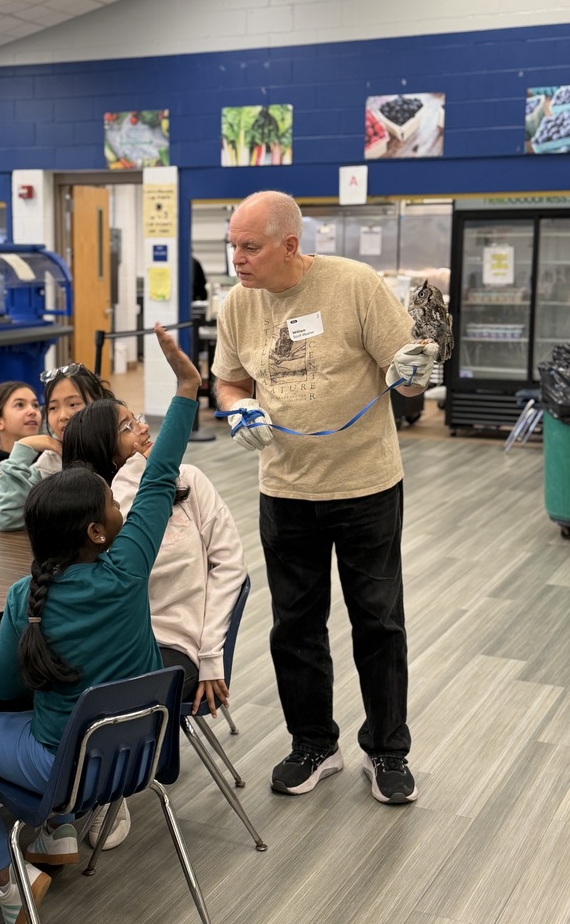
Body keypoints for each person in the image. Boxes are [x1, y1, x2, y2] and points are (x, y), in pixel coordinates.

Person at [0, 325, 201, 924]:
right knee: (56, 713)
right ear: (97, 532)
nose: (120, 506)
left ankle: (8, 877)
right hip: (139, 754)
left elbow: (1, 685)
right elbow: (160, 474)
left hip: (64, 766)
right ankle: (55, 837)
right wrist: (186, 388)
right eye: (111, 504)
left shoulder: (25, 597)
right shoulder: (127, 569)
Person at [212, 190, 438, 805]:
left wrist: (416, 372)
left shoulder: (354, 285)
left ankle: (387, 750)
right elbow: (228, 381)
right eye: (233, 245)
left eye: (250, 246)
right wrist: (239, 408)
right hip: (285, 489)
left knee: (379, 622)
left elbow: (408, 378)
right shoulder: (237, 304)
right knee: (295, 626)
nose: (237, 259)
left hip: (366, 485)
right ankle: (313, 744)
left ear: (290, 245)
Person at [61, 397, 246, 847]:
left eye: (138, 419)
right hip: (116, 641)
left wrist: (211, 655)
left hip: (177, 645)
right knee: (49, 674)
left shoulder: (189, 481)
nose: (144, 429)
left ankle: (106, 790)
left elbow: (230, 568)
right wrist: (126, 480)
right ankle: (65, 795)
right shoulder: (93, 512)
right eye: (127, 427)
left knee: (106, 689)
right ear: (104, 453)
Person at [0, 364, 114, 531]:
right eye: (53, 407)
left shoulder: (122, 450)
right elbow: (7, 517)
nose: (62, 416)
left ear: (100, 404)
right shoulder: (50, 461)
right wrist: (23, 448)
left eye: (73, 404)